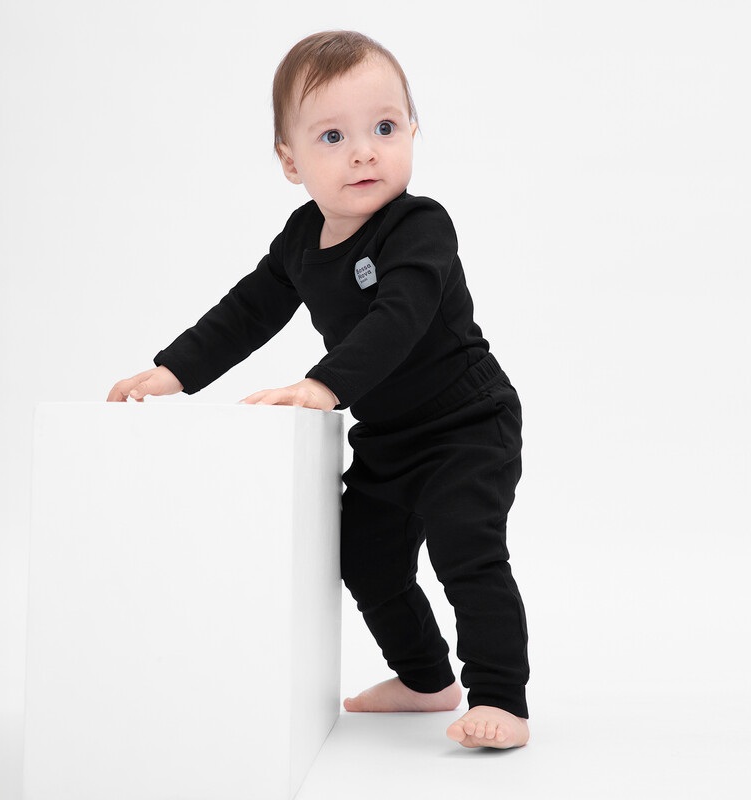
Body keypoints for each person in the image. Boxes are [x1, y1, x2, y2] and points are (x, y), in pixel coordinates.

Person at [107, 30, 530, 749]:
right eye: (334, 136)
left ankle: (501, 698)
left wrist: (325, 383)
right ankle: (427, 679)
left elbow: (400, 316)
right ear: (290, 162)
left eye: (385, 128)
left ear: (413, 133)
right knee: (364, 556)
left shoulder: (420, 226)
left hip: (467, 421)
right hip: (389, 435)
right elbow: (248, 310)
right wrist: (174, 371)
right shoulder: (302, 240)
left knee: (466, 547)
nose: (364, 152)